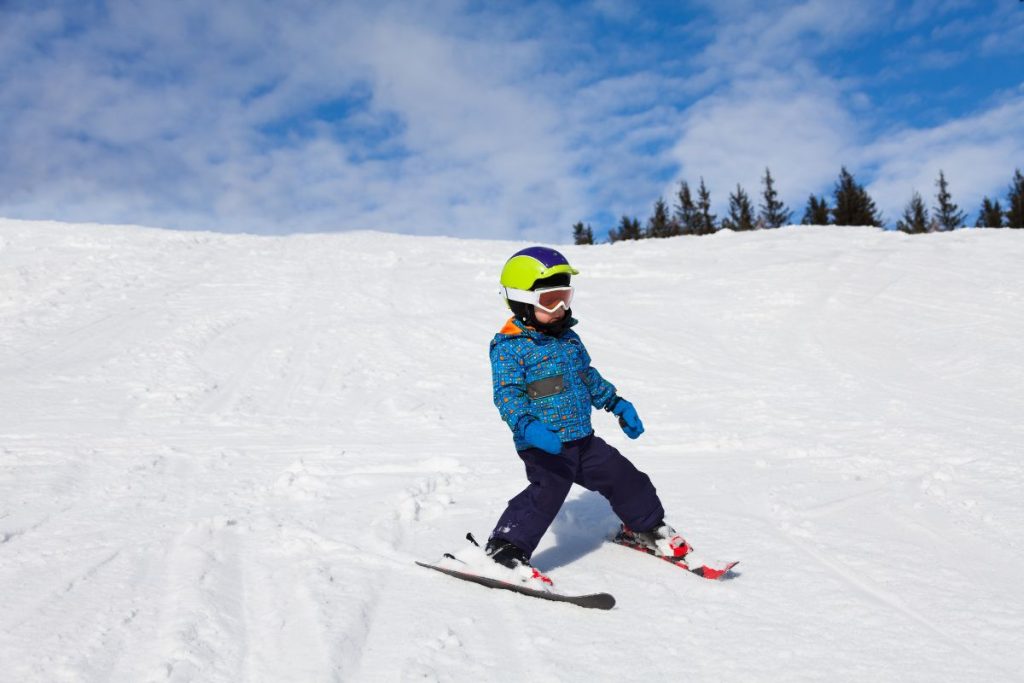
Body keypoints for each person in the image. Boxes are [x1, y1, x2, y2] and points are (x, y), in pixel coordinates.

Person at [486, 246, 693, 581]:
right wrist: (527, 426)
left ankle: (646, 528)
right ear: (522, 301)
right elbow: (507, 395)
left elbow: (587, 377)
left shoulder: (569, 340)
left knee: (627, 478)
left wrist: (616, 403)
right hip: (544, 445)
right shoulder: (510, 347)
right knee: (547, 493)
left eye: (565, 296)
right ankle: (504, 549)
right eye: (549, 300)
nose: (561, 308)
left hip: (583, 440)